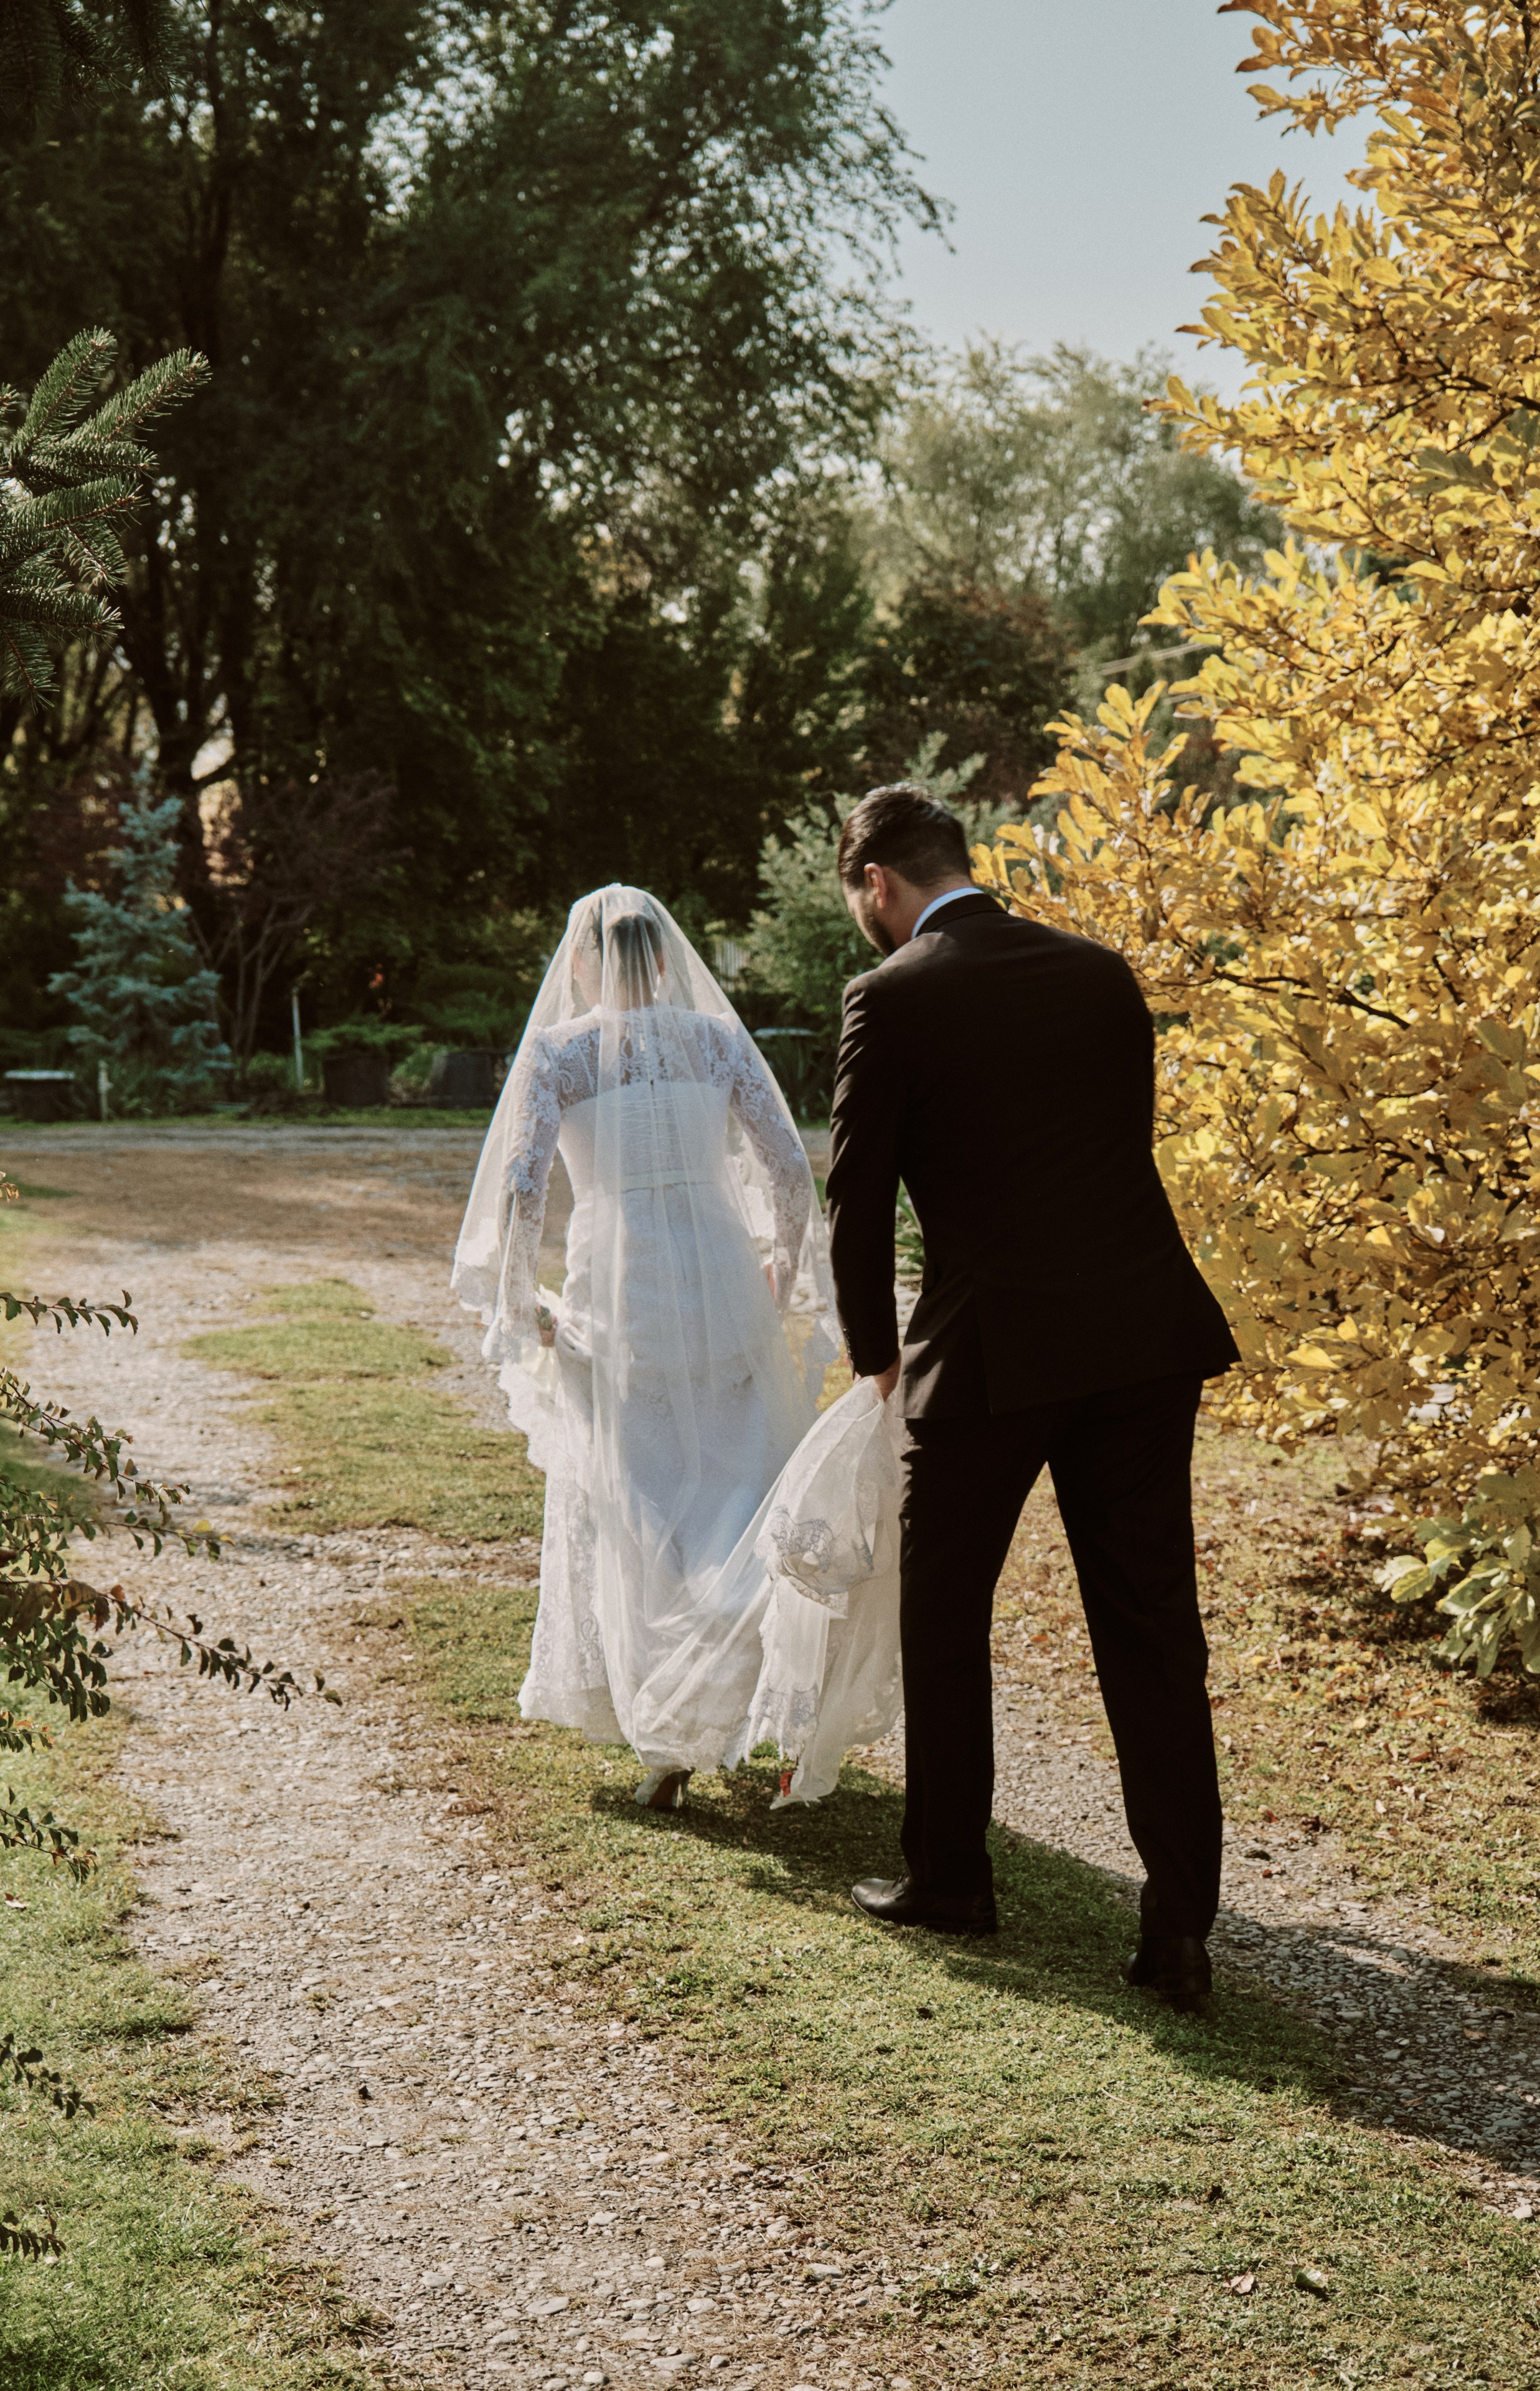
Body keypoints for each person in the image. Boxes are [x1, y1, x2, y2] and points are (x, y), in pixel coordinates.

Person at [825, 785, 1239, 2014]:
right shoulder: (1100, 975)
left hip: (990, 1354)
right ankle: (1176, 1933)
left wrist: (870, 1355)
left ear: (877, 885)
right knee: (1152, 1631)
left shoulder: (887, 998)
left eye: (855, 901)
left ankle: (950, 1877)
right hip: (1139, 1339)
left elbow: (855, 1199)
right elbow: (1110, 1153)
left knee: (943, 1617)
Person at [452, 885, 840, 1808]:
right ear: (665, 959)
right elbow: (788, 1164)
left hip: (619, 1291)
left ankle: (668, 1743)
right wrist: (782, 1266)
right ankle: (759, 1700)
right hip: (722, 1274)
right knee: (745, 1476)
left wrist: (520, 1301)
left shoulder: (559, 1054)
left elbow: (521, 1189)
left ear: (581, 963)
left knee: (635, 1492)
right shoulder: (716, 1041)